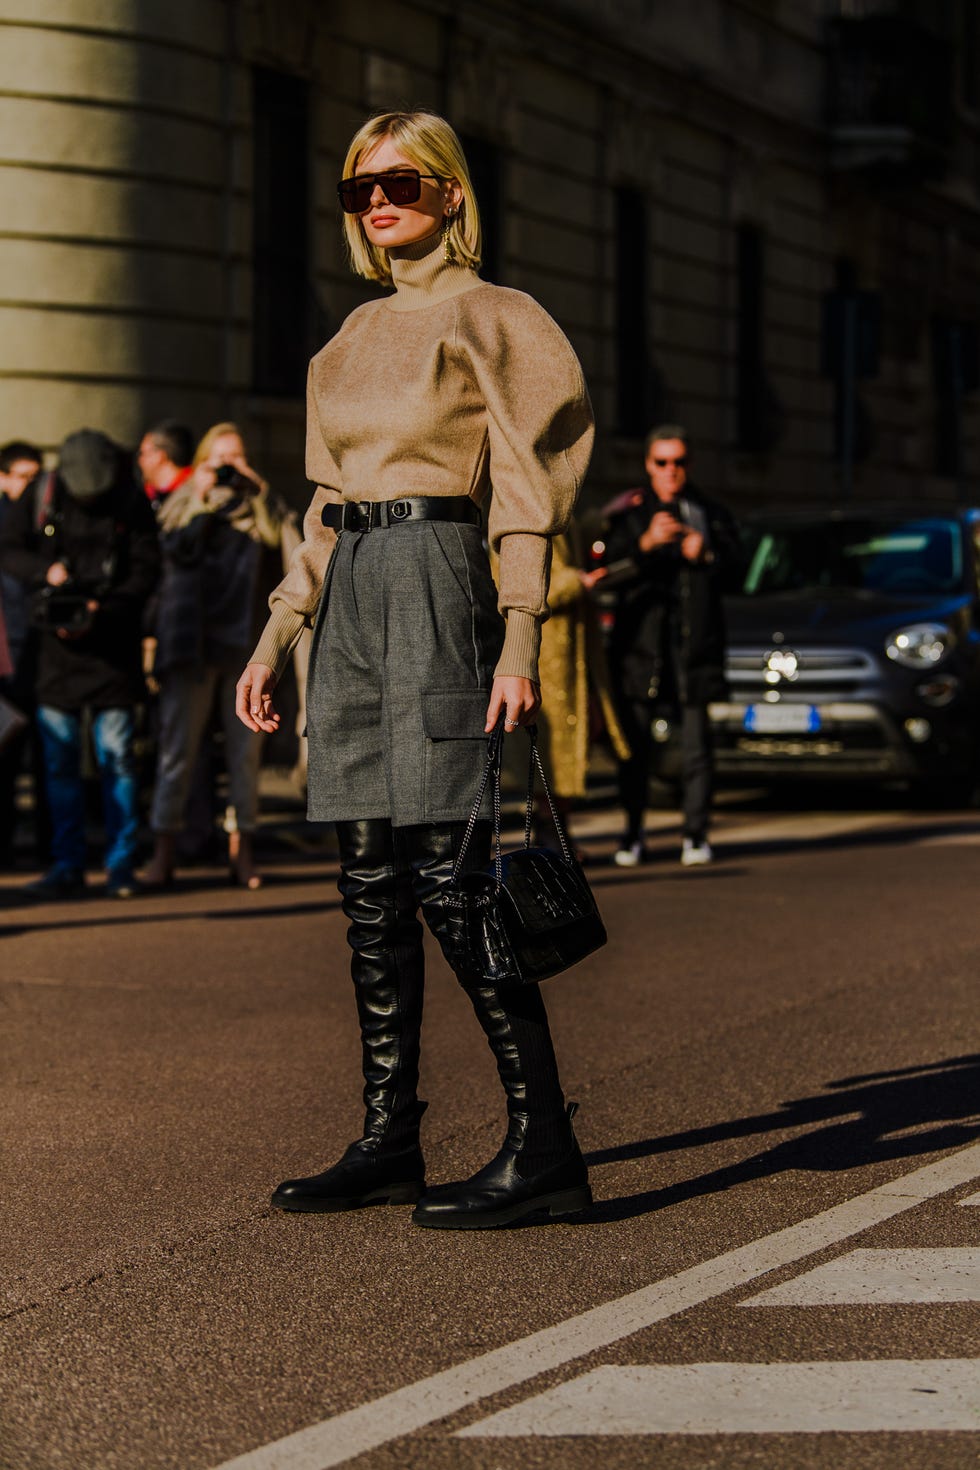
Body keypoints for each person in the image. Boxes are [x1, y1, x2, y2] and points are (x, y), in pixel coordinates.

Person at [236, 109, 595, 1230]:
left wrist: (521, 636)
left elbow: (528, 494)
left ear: (448, 191)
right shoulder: (342, 343)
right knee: (366, 887)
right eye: (356, 190)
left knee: (451, 881)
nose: (376, 202)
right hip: (350, 599)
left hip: (443, 583)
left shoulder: (499, 318)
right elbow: (323, 508)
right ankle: (389, 1139)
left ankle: (545, 1149)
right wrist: (276, 632)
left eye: (397, 181)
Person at [0, 429, 160, 898]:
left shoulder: (130, 500)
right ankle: (66, 864)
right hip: (54, 655)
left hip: (113, 649)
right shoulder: (43, 491)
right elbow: (7, 548)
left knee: (119, 763)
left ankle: (120, 866)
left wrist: (101, 610)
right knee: (59, 765)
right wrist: (44, 574)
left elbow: (147, 569)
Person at [142, 423, 292, 890]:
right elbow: (170, 545)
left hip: (243, 646)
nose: (228, 467)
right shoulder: (186, 499)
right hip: (191, 645)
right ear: (203, 461)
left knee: (245, 758)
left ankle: (241, 853)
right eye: (219, 459)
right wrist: (201, 494)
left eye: (237, 457)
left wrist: (260, 489)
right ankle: (162, 853)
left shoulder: (260, 506)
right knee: (176, 753)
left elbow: (287, 542)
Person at [600, 424, 739, 868]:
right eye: (662, 462)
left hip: (692, 648)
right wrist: (646, 544)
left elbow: (741, 572)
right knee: (636, 748)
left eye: (679, 462)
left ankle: (695, 833)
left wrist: (707, 554)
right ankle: (633, 831)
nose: (671, 471)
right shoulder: (631, 514)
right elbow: (604, 574)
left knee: (698, 747)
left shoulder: (710, 512)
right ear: (648, 464)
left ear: (689, 465)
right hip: (641, 651)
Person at [0, 440, 44, 865]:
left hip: (31, 654)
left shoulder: (43, 523)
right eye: (23, 478)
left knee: (23, 754)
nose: (31, 487)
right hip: (6, 656)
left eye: (37, 478)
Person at [137, 420, 194, 510]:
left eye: (143, 453)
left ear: (159, 457)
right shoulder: (147, 497)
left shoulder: (194, 495)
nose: (140, 460)